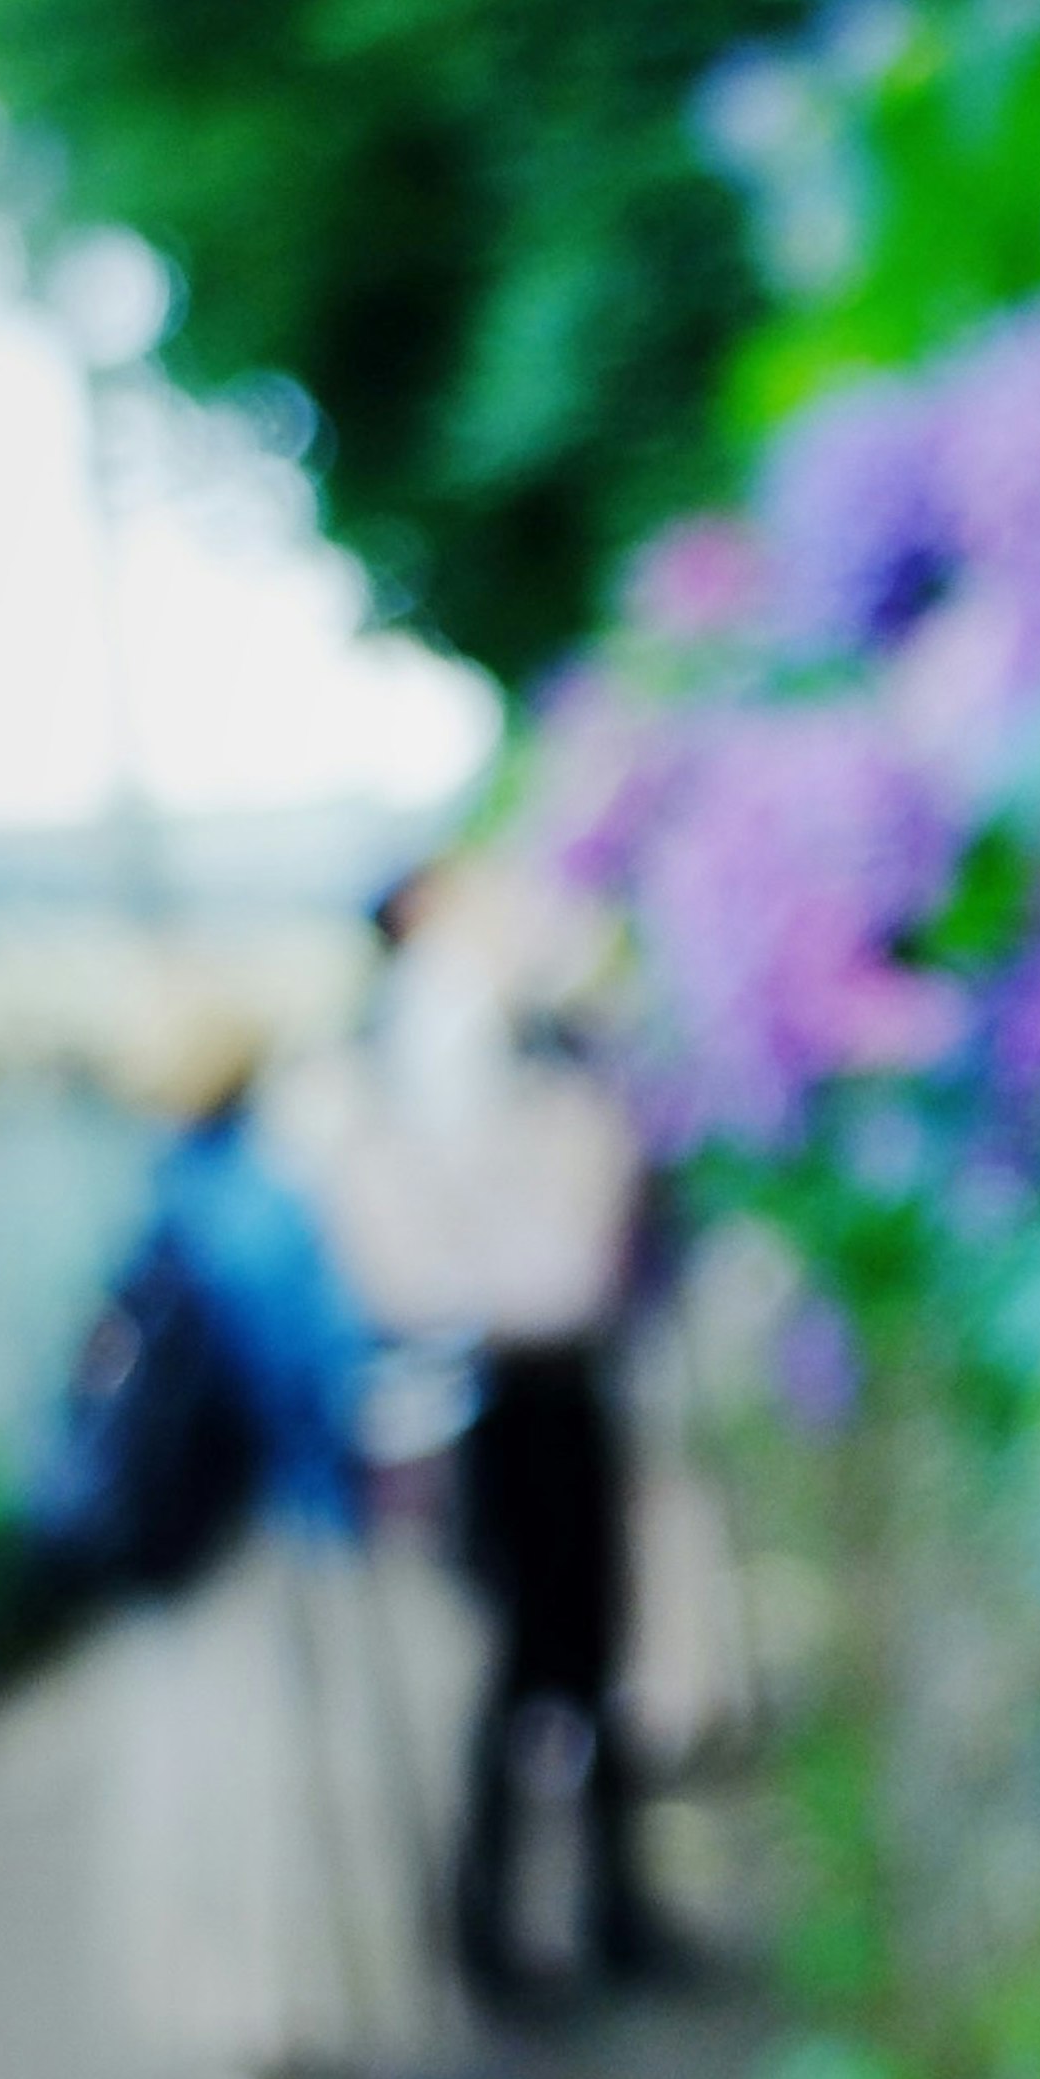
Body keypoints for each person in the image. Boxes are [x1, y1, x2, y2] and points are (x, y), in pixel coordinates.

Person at [276, 857, 677, 2013]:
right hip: (499, 1380)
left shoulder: (472, 1027)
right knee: (533, 1656)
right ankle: (502, 1934)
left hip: (533, 1372)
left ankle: (583, 1913)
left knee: (579, 1645)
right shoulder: (440, 1024)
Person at [91, 1001, 474, 2079]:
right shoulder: (263, 1199)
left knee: (211, 1805)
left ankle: (256, 2042)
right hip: (278, 1551)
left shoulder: (157, 1203)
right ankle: (293, 2034)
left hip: (188, 1576)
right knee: (300, 1802)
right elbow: (325, 1370)